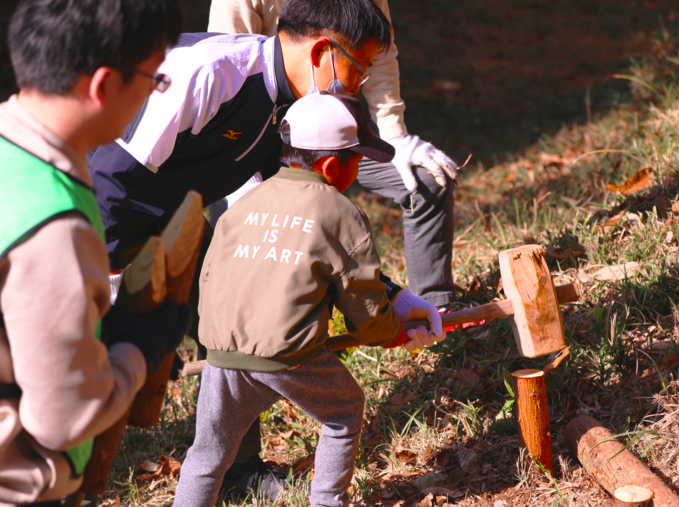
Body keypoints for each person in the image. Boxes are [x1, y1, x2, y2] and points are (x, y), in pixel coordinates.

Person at [87, 0, 445, 498]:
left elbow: (297, 229)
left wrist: (395, 297)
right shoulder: (205, 73)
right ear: (323, 52)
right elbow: (107, 182)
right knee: (59, 411)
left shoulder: (294, 116)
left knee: (234, 325)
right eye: (359, 71)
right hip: (71, 229)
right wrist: (103, 301)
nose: (360, 88)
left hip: (174, 225)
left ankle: (234, 471)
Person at [173, 91, 443, 507]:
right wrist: (391, 332)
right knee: (344, 412)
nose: (361, 167)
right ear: (333, 165)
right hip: (286, 354)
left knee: (207, 454)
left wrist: (401, 304)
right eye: (358, 158)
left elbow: (210, 276)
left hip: (222, 352)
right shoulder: (338, 211)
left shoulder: (245, 203)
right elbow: (363, 300)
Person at [0, 0, 189, 505]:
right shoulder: (52, 223)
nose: (155, 93)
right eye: (156, 79)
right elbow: (65, 418)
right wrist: (138, 348)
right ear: (105, 84)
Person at [207, 0, 459, 310]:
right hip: (256, 132)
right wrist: (248, 182)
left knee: (425, 179)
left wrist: (395, 135)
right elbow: (230, 64)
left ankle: (437, 311)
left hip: (335, 122)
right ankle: (230, 341)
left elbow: (378, 53)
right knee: (244, 241)